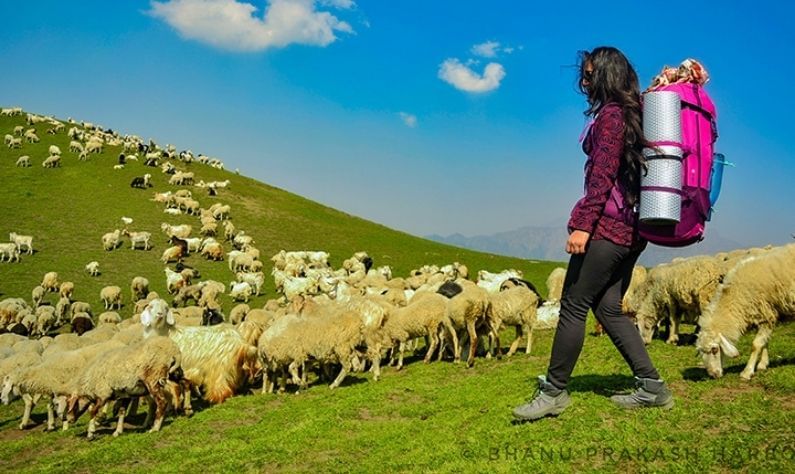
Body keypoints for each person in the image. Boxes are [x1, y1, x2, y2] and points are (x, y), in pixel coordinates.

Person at [512, 46, 673, 422]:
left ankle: (553, 392)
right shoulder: (634, 114)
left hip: (608, 228)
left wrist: (584, 223)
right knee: (608, 308)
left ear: (606, 76)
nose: (584, 82)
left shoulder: (613, 116)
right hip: (635, 230)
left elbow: (602, 174)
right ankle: (653, 386)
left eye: (590, 74)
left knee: (572, 304)